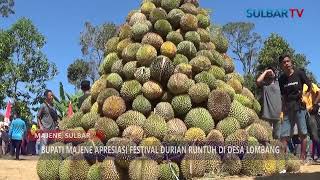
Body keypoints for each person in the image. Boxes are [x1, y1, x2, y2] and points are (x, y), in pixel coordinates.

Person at [278, 54, 312, 161]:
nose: (286, 63)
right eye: (284, 62)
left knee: (303, 133)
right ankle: (282, 160)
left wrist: (305, 96)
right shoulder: (281, 79)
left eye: (288, 61)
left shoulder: (299, 73)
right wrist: (282, 111)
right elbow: (283, 96)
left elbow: (310, 86)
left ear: (291, 62)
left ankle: (302, 157)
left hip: (300, 107)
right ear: (281, 65)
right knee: (284, 135)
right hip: (288, 109)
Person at [256, 67, 282, 139]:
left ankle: (277, 150)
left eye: (271, 72)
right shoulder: (264, 84)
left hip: (278, 115)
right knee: (266, 136)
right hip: (266, 115)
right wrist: (266, 71)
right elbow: (258, 81)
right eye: (268, 73)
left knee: (277, 137)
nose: (270, 74)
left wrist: (274, 73)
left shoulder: (278, 83)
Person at [302, 81, 320, 161]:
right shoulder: (297, 85)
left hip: (310, 113)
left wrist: (315, 104)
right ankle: (308, 156)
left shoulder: (310, 84)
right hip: (301, 112)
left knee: (314, 135)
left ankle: (318, 154)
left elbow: (319, 92)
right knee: (305, 135)